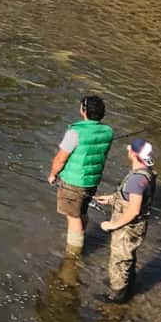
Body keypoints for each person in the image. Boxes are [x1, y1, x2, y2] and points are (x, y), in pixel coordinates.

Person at [47, 95, 114, 254]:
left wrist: (53, 174)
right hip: (92, 181)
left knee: (73, 216)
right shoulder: (108, 132)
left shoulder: (75, 132)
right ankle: (81, 237)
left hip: (73, 181)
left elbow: (60, 158)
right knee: (82, 211)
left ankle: (73, 253)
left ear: (83, 111)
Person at [95, 139, 156, 302]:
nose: (128, 151)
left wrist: (112, 224)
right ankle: (128, 283)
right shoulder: (146, 171)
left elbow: (134, 209)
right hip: (138, 226)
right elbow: (131, 198)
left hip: (128, 227)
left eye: (130, 150)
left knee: (119, 258)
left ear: (134, 154)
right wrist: (111, 199)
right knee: (129, 254)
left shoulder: (136, 180)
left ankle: (117, 294)